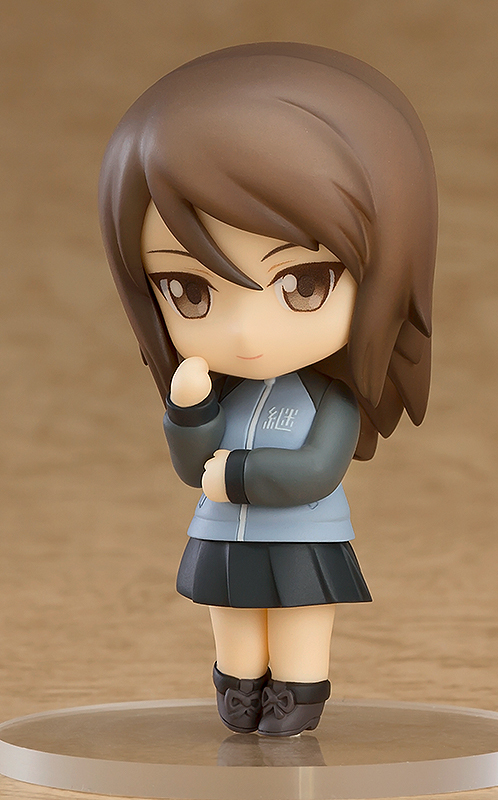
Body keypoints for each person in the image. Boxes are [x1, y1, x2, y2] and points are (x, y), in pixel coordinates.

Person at [99, 42, 437, 736]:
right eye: (189, 290)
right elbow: (191, 464)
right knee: (232, 613)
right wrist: (189, 410)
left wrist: (235, 475)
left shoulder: (329, 397)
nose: (247, 334)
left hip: (302, 536)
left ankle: (298, 692)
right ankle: (238, 685)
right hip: (223, 534)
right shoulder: (227, 393)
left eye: (302, 284)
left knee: (300, 615)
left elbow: (317, 469)